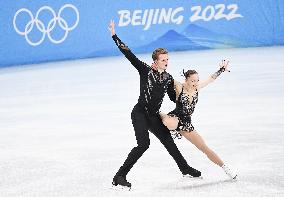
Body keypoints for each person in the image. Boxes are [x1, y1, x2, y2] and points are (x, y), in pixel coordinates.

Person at [108, 20, 202, 189]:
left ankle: (184, 168)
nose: (166, 62)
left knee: (168, 140)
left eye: (168, 59)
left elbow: (174, 98)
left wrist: (187, 91)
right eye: (163, 60)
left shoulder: (167, 78)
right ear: (156, 61)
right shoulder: (145, 70)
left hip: (153, 115)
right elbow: (129, 54)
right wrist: (115, 36)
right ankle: (119, 176)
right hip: (139, 113)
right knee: (143, 144)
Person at [160, 60, 237, 180]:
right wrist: (157, 67)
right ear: (186, 80)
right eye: (192, 81)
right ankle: (159, 114)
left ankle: (225, 167)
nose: (195, 83)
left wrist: (221, 70)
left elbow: (211, 79)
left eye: (197, 80)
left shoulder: (197, 87)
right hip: (175, 117)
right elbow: (166, 76)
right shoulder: (179, 86)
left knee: (204, 148)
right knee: (169, 123)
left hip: (186, 123)